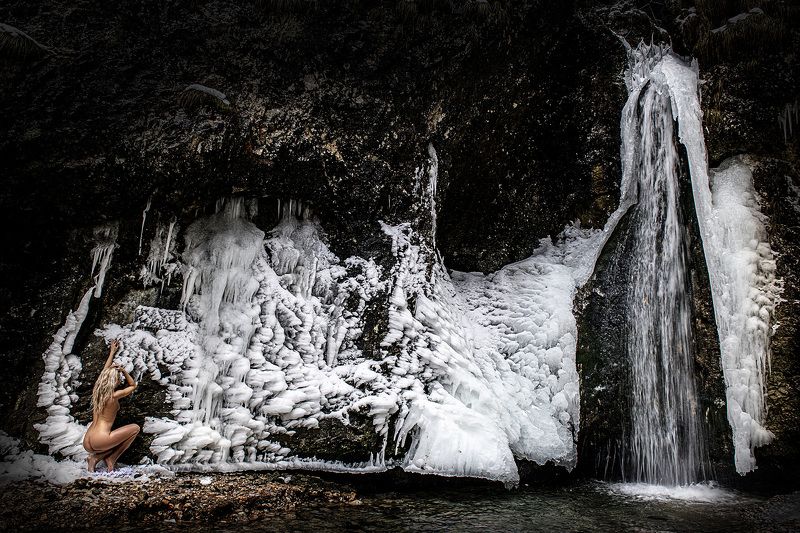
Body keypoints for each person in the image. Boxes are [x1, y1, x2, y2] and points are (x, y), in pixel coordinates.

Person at [82, 339, 140, 472]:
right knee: (134, 429)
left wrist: (112, 352)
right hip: (101, 439)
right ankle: (111, 458)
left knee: (115, 439)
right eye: (118, 378)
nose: (120, 380)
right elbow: (132, 385)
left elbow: (104, 372)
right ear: (114, 380)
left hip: (87, 441)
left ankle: (95, 459)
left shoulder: (97, 392)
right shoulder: (113, 396)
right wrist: (124, 371)